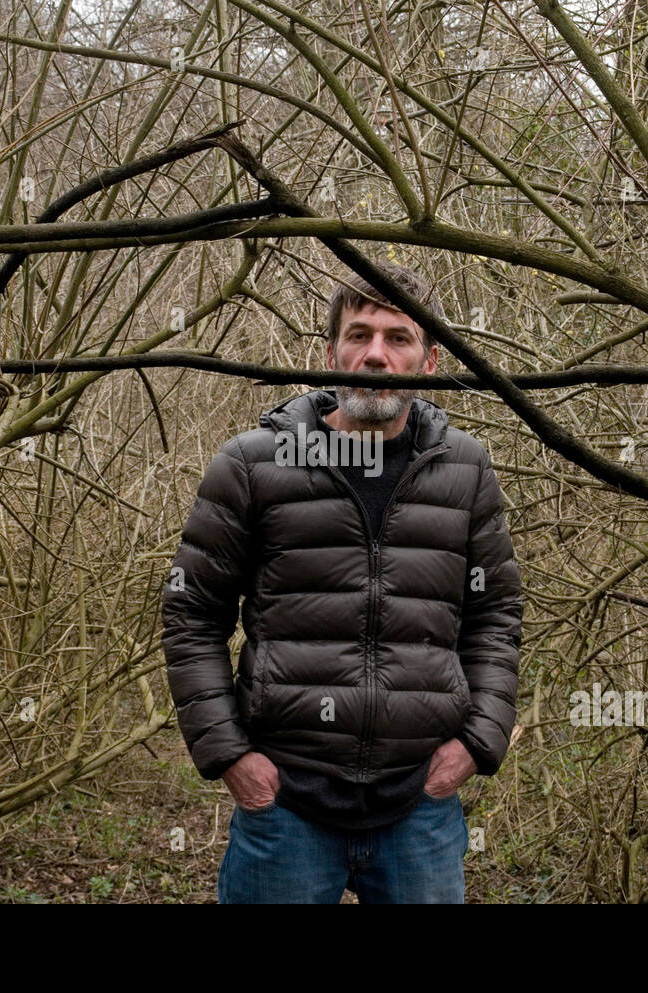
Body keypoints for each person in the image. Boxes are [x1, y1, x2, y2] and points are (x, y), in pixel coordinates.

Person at [161, 259, 522, 903]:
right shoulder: (253, 465)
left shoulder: (466, 470)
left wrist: (477, 742)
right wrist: (230, 756)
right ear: (330, 353)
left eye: (397, 338)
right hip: (286, 805)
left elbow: (494, 615)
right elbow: (193, 614)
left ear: (429, 361)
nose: (375, 356)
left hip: (420, 807)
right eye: (359, 335)